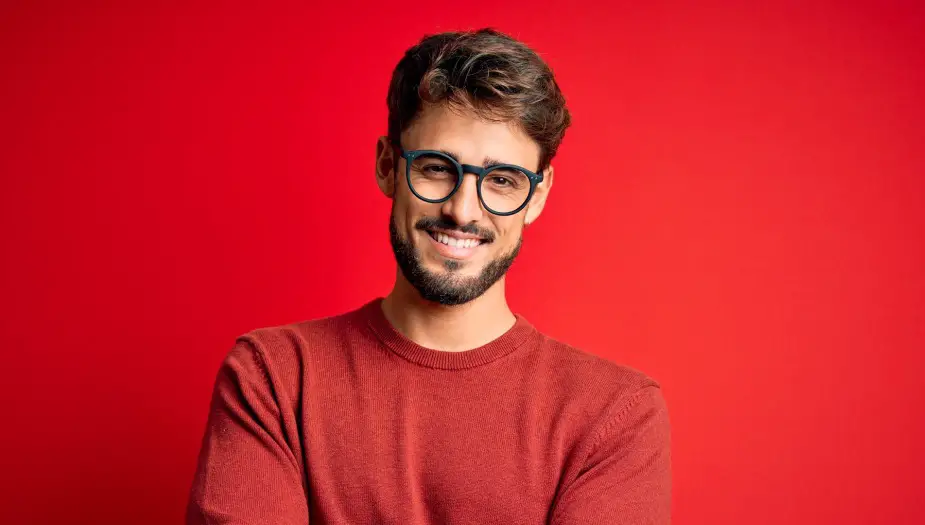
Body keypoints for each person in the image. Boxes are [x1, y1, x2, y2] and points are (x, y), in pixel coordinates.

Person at [186, 28, 671, 525]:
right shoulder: (275, 378)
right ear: (388, 165)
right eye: (438, 168)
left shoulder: (613, 415)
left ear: (539, 195)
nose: (463, 211)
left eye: (502, 180)